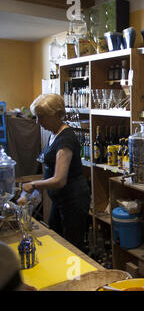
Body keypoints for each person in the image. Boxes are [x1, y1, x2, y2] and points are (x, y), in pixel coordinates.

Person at [23, 94, 90, 250]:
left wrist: (34, 185)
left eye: (42, 117)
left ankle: (75, 275)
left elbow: (59, 179)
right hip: (60, 199)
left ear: (55, 115)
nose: (38, 122)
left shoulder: (66, 139)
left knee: (72, 248)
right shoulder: (54, 134)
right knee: (56, 240)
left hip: (73, 200)